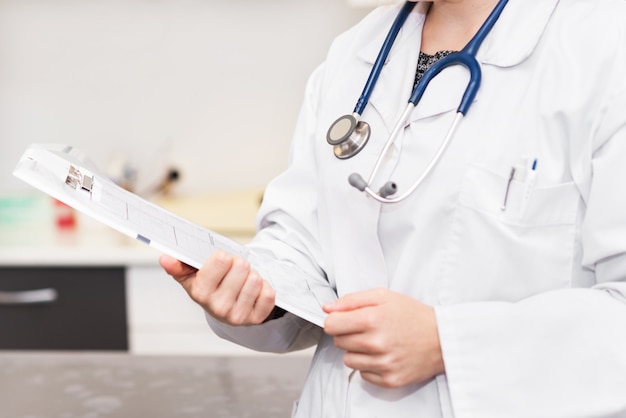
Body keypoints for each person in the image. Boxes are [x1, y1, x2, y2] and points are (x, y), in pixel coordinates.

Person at [160, 0, 626, 416]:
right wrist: (256, 294)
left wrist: (449, 343)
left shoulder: (603, 47)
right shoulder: (354, 53)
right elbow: (302, 244)